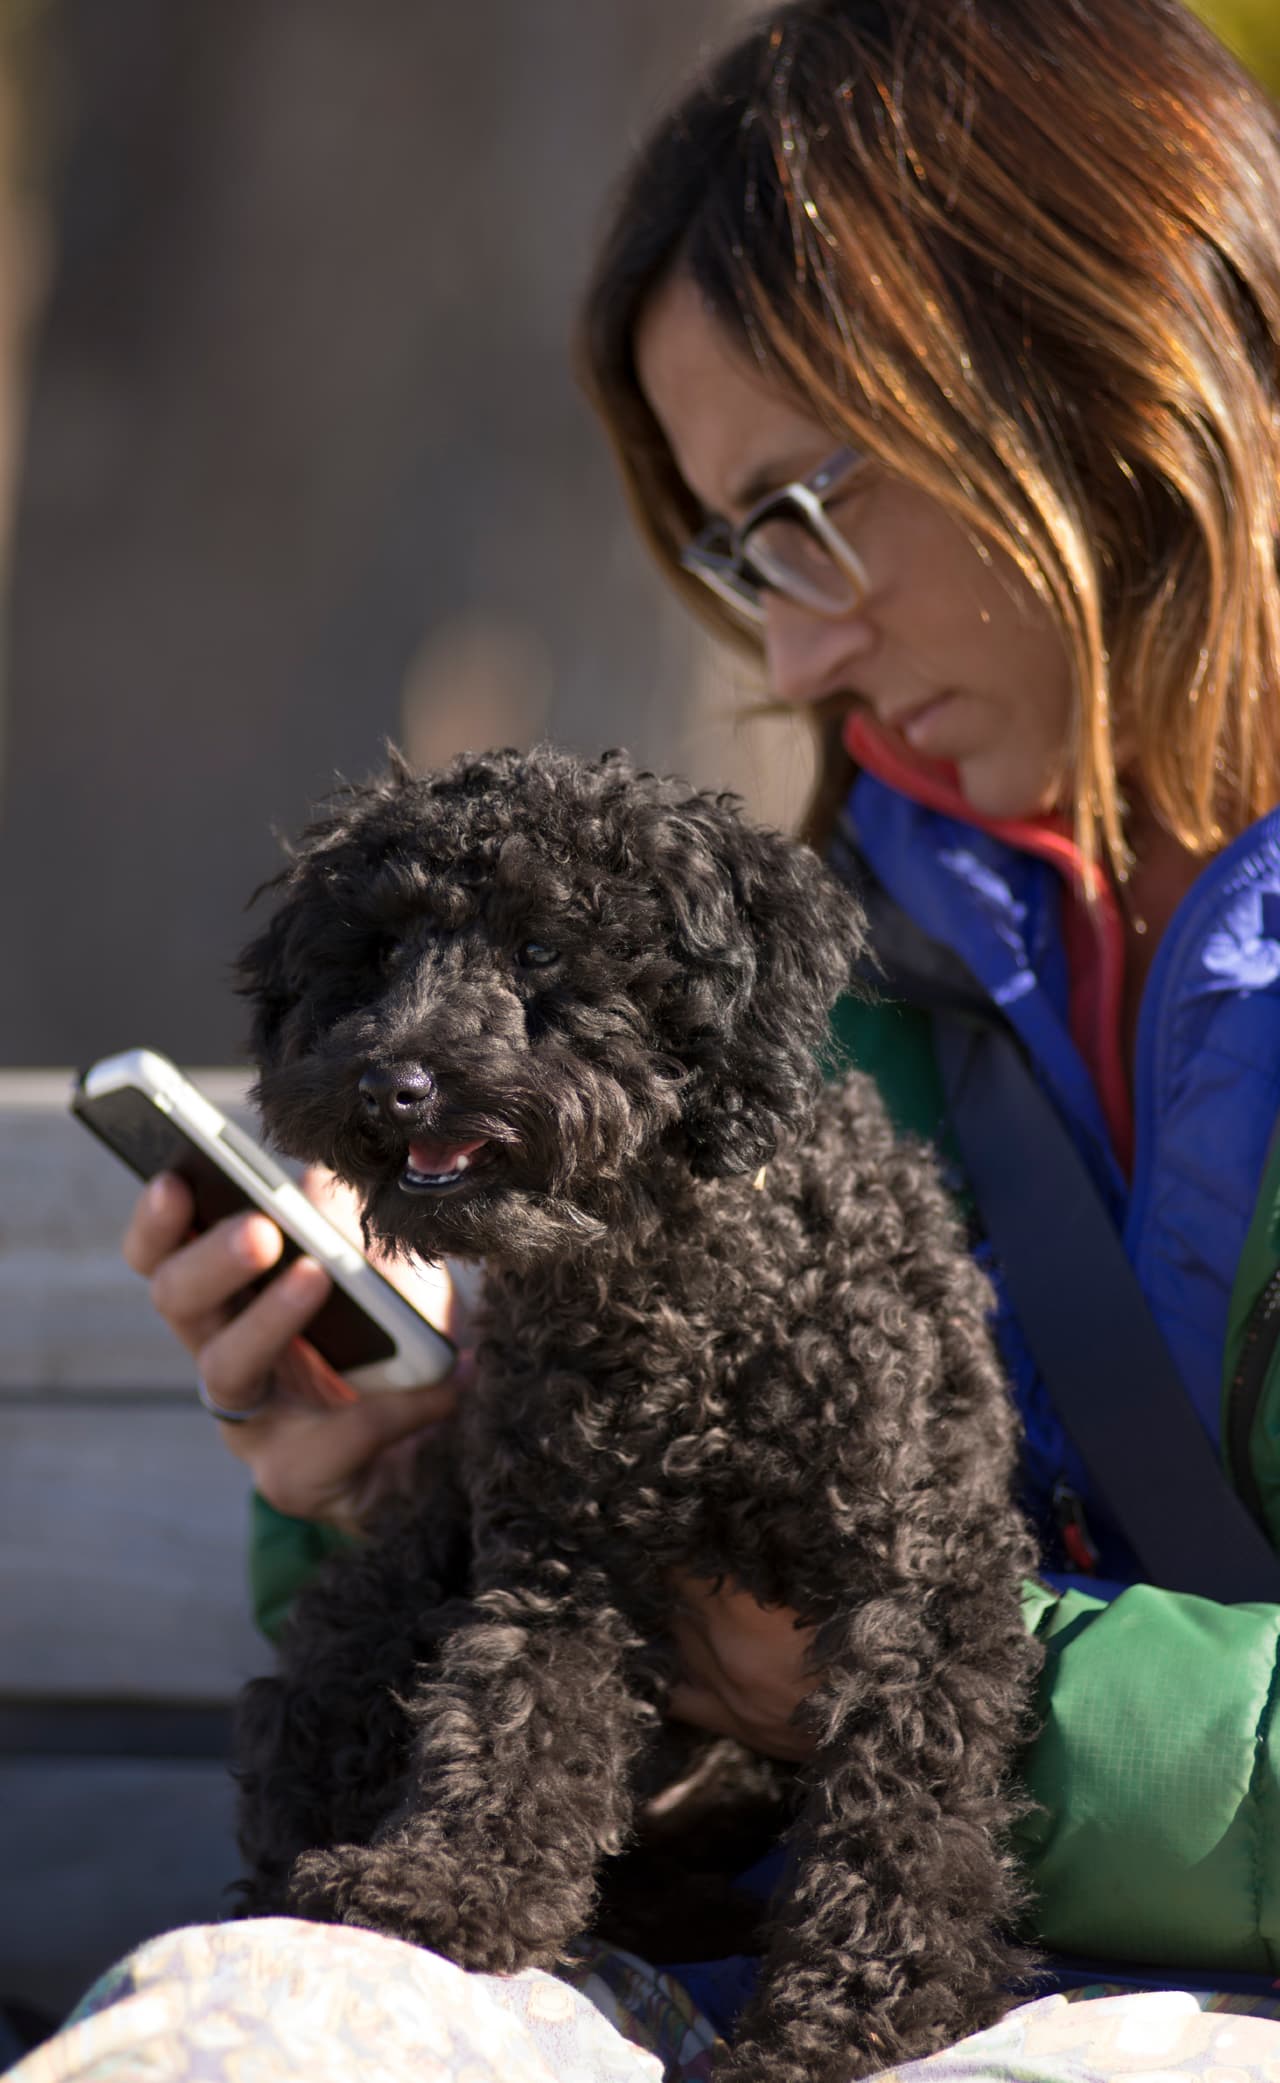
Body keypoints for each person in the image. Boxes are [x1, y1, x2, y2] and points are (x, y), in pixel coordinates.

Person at [21, 0, 1280, 2077]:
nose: (788, 649)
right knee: (224, 2035)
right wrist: (391, 1470)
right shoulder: (780, 961)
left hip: (1138, 1999)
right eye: (726, 549)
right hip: (675, 1954)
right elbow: (536, 1663)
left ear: (1106, 365)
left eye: (808, 509)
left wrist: (901, 1687)